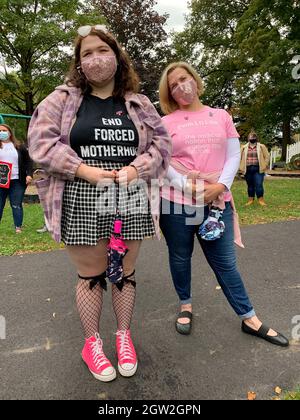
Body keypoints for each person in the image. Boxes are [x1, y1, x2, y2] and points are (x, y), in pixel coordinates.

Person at [28, 25, 171, 382]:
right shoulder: (61, 100)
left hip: (131, 193)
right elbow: (40, 144)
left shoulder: (137, 103)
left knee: (124, 273)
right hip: (81, 192)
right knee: (91, 276)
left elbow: (162, 145)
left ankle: (123, 336)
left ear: (117, 56)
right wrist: (84, 170)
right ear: (79, 62)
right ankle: (92, 342)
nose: (95, 59)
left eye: (102, 51)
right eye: (86, 53)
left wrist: (138, 168)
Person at [158, 62, 289, 348]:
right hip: (177, 203)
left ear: (194, 78)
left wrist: (221, 186)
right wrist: (186, 187)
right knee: (180, 257)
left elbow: (232, 156)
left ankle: (249, 318)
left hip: (217, 202)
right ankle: (186, 305)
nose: (181, 86)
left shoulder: (221, 116)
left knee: (226, 263)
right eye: (173, 85)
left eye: (184, 79)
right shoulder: (166, 123)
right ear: (168, 94)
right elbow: (163, 163)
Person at [0, 124, 33, 233]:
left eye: (4, 130)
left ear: (9, 132)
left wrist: (29, 174)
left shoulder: (19, 146)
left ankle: (18, 227)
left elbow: (28, 161)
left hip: (17, 181)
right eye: (0, 131)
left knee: (16, 204)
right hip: (1, 181)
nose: (2, 133)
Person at [240, 131, 270, 206]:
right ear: (248, 138)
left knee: (259, 184)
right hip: (248, 169)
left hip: (258, 169)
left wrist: (265, 165)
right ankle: (250, 200)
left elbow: (267, 156)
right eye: (251, 137)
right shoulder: (243, 147)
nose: (252, 138)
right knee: (250, 185)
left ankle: (261, 200)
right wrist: (240, 167)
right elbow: (239, 158)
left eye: (254, 137)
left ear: (256, 138)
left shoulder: (261, 146)